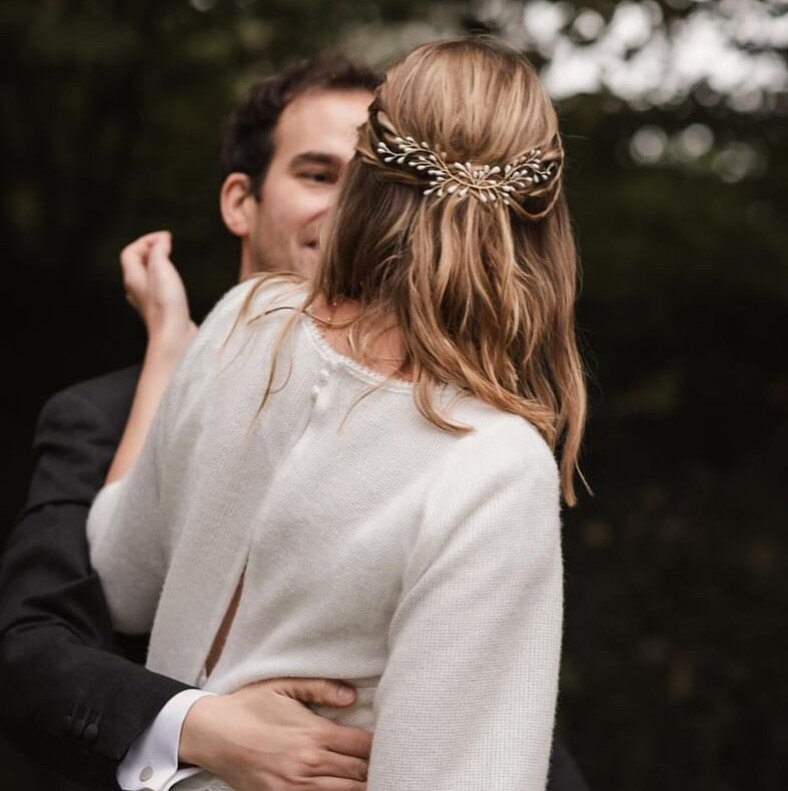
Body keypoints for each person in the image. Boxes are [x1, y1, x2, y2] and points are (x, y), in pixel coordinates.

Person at [86, 37, 588, 791]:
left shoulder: (246, 319)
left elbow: (118, 579)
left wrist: (169, 346)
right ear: (544, 224)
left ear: (369, 172)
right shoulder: (492, 462)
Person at [0, 55, 381, 791]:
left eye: (373, 185)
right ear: (240, 201)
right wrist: (205, 726)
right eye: (318, 174)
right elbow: (29, 648)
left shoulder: (425, 417)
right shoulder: (98, 414)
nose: (350, 209)